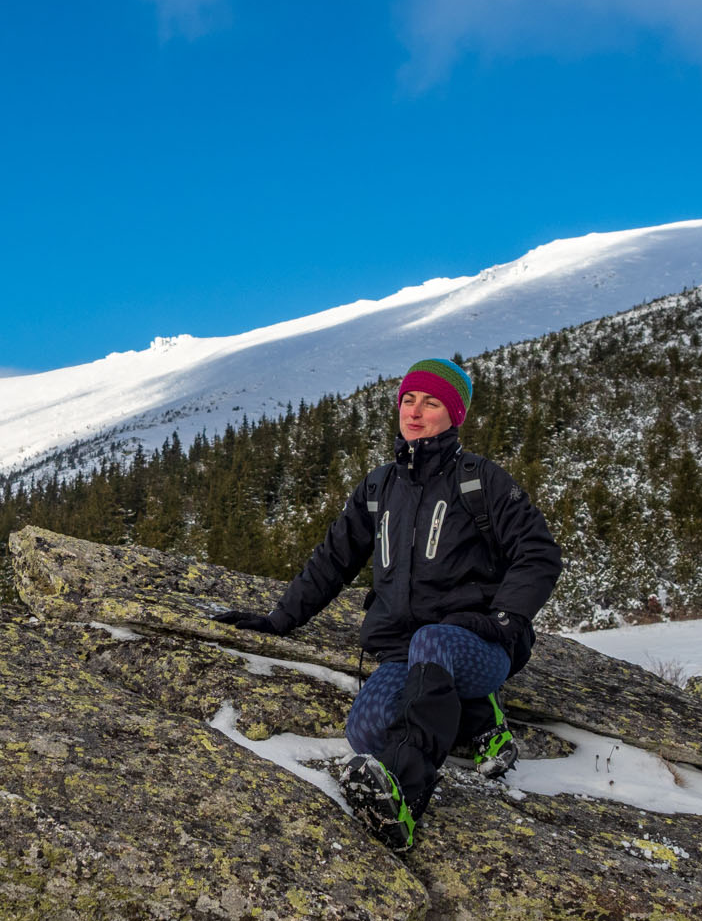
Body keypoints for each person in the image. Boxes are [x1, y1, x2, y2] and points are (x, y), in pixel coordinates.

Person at [214, 358, 562, 852]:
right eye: (409, 400)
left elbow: (538, 552)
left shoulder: (479, 480)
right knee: (366, 728)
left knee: (432, 641)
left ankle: (404, 798)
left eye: (432, 402)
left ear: (454, 414)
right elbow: (332, 560)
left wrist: (504, 618)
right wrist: (279, 619)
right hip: (406, 651)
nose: (416, 413)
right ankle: (478, 718)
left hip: (476, 644)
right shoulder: (380, 488)